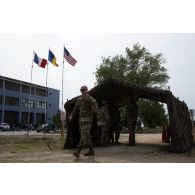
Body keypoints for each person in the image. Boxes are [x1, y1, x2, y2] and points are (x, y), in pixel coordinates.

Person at [69, 85, 99, 158]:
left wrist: (98, 118)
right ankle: (91, 150)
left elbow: (96, 107)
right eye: (81, 90)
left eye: (84, 90)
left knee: (83, 135)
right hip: (81, 121)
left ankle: (78, 151)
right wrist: (71, 115)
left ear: (87, 90)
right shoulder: (79, 100)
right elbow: (75, 109)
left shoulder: (91, 99)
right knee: (87, 136)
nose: (82, 91)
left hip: (88, 120)